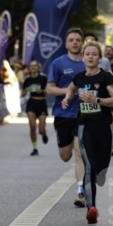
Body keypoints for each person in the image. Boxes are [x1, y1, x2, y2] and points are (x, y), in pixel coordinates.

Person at [61, 41, 113, 224]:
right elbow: (71, 88)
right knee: (88, 166)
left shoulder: (106, 78)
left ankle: (99, 175)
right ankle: (91, 208)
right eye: (87, 54)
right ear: (83, 57)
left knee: (100, 168)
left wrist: (97, 100)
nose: (90, 56)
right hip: (84, 126)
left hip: (103, 127)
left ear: (99, 58)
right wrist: (67, 98)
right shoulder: (79, 78)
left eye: (94, 54)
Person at [47, 29, 87, 207]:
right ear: (66, 43)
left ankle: (81, 191)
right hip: (63, 114)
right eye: (71, 40)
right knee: (65, 155)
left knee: (80, 153)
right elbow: (49, 88)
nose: (75, 43)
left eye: (78, 40)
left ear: (83, 42)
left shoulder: (89, 63)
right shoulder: (58, 63)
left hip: (84, 113)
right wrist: (69, 91)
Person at [21, 60, 49, 156]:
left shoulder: (43, 78)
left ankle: (44, 134)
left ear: (38, 67)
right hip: (32, 102)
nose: (33, 68)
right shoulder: (27, 80)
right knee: (32, 127)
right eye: (31, 66)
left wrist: (41, 90)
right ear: (29, 68)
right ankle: (35, 148)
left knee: (41, 129)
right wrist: (26, 90)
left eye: (35, 66)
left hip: (41, 103)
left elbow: (48, 90)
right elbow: (22, 93)